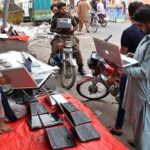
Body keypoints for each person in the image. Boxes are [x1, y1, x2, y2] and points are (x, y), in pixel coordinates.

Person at [114, 4, 150, 149]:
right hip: (138, 88)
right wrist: (132, 56)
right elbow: (142, 58)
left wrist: (123, 70)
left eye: (140, 25)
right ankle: (137, 141)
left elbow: (144, 72)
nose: (139, 29)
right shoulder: (146, 37)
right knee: (137, 121)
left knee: (143, 126)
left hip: (145, 90)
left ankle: (143, 146)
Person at [109, 1, 144, 136]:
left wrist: (114, 74)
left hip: (132, 71)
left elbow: (122, 56)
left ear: (129, 15)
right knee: (143, 103)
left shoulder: (129, 32)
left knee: (123, 98)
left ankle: (118, 127)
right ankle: (139, 135)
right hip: (143, 74)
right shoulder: (145, 33)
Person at [50, 2, 86, 75]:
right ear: (59, 9)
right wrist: (56, 29)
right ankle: (53, 65)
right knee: (54, 51)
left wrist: (72, 30)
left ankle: (80, 67)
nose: (63, 10)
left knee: (77, 51)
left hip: (69, 36)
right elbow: (51, 29)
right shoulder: (55, 17)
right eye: (61, 9)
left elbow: (76, 25)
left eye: (64, 8)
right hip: (59, 36)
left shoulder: (69, 16)